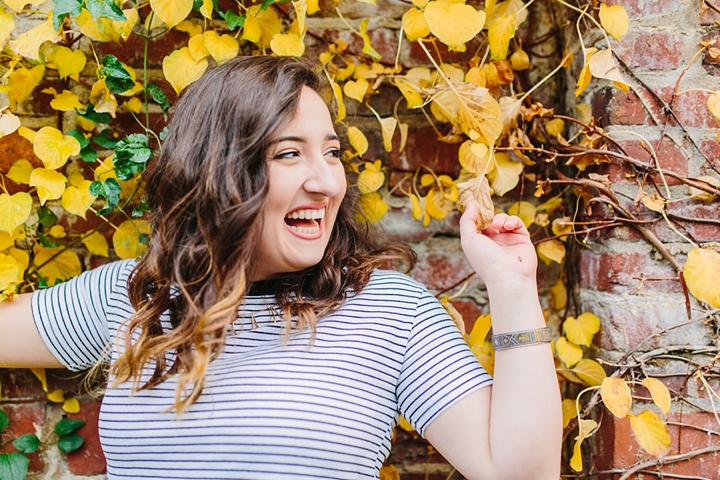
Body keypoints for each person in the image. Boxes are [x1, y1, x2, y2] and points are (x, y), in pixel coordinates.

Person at [0, 56, 561, 479]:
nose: (326, 181)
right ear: (219, 174)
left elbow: (520, 475)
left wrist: (513, 288)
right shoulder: (136, 298)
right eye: (289, 153)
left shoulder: (391, 313)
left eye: (332, 152)